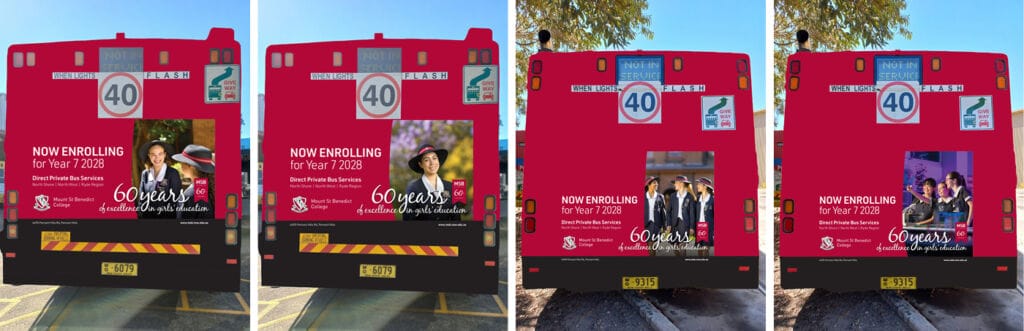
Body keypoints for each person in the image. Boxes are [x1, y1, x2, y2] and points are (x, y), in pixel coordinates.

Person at [404, 144, 461, 221]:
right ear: (420, 164)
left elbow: (457, 219)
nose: (432, 163)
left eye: (434, 158)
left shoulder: (451, 187)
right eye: (426, 160)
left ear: (438, 160)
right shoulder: (413, 189)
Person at [137, 140, 182, 219]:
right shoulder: (145, 174)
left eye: (160, 154)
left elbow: (176, 200)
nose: (157, 157)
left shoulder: (172, 174)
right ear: (149, 155)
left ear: (164, 155)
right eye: (153, 154)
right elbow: (142, 199)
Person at [173, 144, 216, 219]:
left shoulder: (189, 195)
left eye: (182, 162)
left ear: (191, 165)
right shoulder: (208, 187)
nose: (180, 165)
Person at [667, 176, 697, 246]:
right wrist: (668, 224)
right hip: (674, 224)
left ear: (681, 184)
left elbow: (692, 214)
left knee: (682, 246)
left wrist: (692, 227)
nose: (674, 185)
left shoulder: (690, 197)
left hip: (685, 224)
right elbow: (669, 212)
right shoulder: (673, 196)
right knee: (675, 247)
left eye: (676, 183)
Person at [643, 176, 667, 255]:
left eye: (657, 183)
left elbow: (663, 212)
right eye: (654, 183)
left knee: (653, 246)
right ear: (648, 185)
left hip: (657, 225)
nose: (656, 184)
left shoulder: (660, 197)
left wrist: (665, 226)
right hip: (646, 224)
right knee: (649, 246)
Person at [696, 177, 715, 247]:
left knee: (706, 248)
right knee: (699, 247)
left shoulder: (713, 200)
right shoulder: (698, 198)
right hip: (699, 226)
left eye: (699, 184)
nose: (697, 186)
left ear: (705, 186)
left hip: (709, 227)